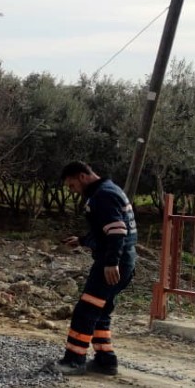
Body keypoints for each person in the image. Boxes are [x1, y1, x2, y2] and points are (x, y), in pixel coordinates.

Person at [52, 161, 138, 376]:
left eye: (72, 185)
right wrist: (82, 240)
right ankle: (105, 361)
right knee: (101, 311)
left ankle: (74, 360)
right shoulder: (109, 190)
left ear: (82, 176)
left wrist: (111, 263)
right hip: (124, 260)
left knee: (86, 310)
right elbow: (105, 230)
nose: (73, 191)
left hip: (113, 262)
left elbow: (117, 231)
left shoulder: (103, 195)